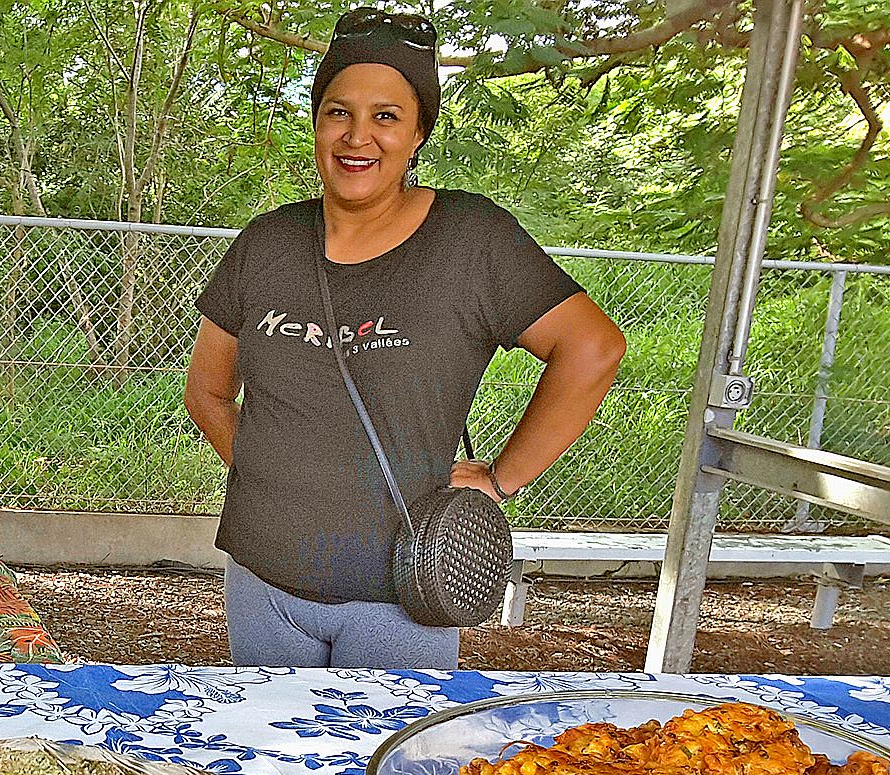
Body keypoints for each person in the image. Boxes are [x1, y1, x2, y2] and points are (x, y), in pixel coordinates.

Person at [184, 7, 626, 669]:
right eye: (337, 112)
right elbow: (206, 393)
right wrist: (271, 479)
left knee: (391, 767)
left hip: (400, 590)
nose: (356, 136)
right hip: (260, 583)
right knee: (270, 765)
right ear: (315, 122)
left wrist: (501, 480)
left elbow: (592, 348)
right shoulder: (266, 243)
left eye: (385, 116)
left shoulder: (470, 240)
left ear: (418, 131)